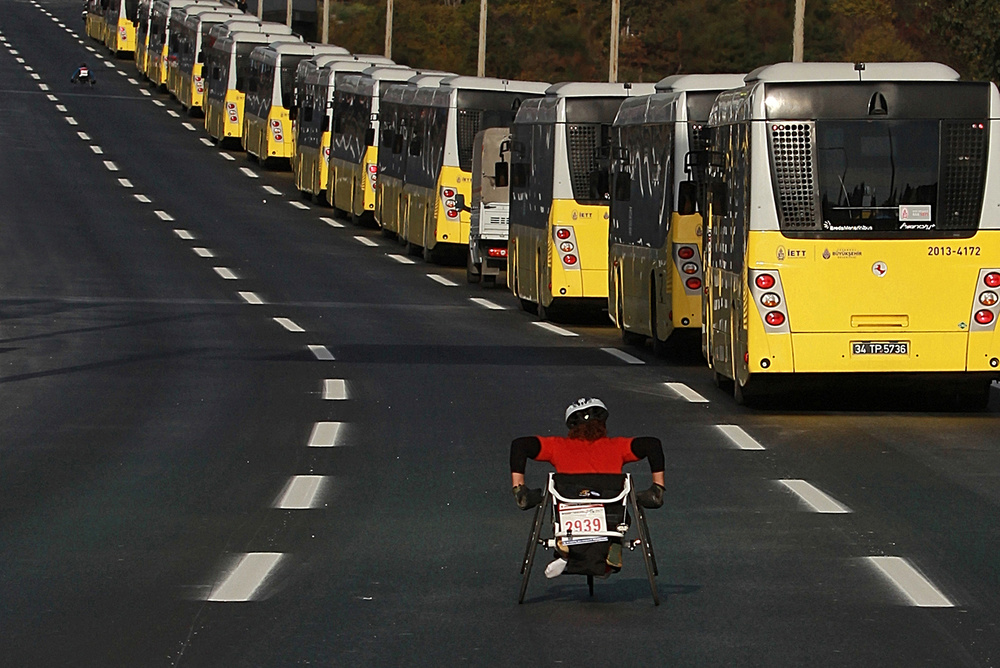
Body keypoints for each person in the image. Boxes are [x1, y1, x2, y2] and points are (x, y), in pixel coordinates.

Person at [509, 397, 665, 578]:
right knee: (621, 517)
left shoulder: (557, 446)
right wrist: (657, 487)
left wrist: (519, 488)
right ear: (602, 425)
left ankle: (567, 550)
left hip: (568, 516)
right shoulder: (618, 446)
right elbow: (652, 444)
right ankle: (612, 543)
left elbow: (519, 445)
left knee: (563, 509)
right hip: (610, 518)